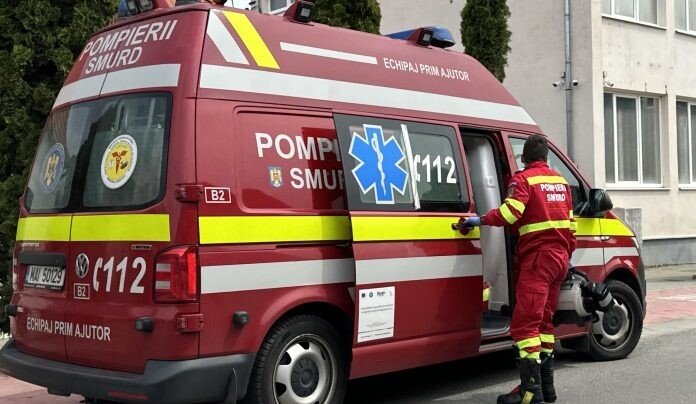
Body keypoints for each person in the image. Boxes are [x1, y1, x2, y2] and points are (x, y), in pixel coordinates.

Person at [459, 135, 575, 404]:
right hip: (559, 259)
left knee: (524, 326)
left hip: (538, 261)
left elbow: (510, 214)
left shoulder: (523, 180)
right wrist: (565, 254)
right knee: (544, 324)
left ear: (524, 158)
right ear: (546, 157)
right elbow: (572, 226)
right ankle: (547, 388)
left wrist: (479, 220)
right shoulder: (560, 182)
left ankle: (530, 393)